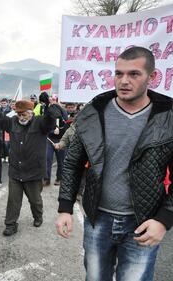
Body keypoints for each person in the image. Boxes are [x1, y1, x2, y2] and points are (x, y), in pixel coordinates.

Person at [55, 46, 173, 281]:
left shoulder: (168, 117)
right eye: (119, 73)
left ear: (152, 77)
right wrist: (65, 207)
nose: (124, 81)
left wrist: (164, 220)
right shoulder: (94, 112)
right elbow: (72, 163)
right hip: (97, 219)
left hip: (143, 223)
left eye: (134, 74)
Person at [0, 98, 57, 236]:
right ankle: (10, 224)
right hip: (15, 171)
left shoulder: (40, 122)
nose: (20, 117)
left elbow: (49, 123)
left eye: (23, 114)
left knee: (35, 200)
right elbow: (0, 118)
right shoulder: (12, 122)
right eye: (18, 114)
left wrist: (50, 112)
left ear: (31, 112)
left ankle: (38, 216)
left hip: (34, 171)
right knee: (13, 200)